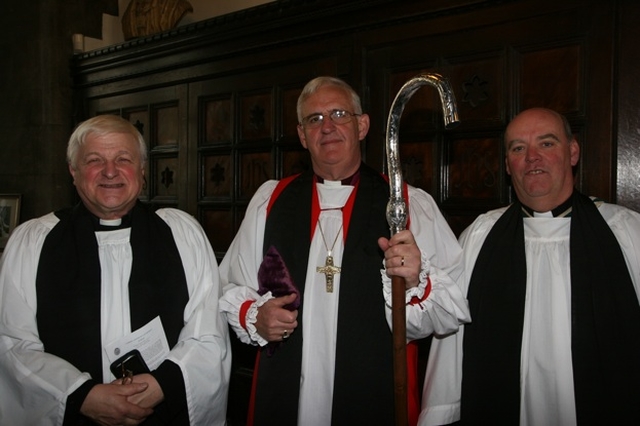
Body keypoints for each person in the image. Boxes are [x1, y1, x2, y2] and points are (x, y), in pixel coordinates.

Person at [219, 76, 470, 426]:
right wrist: (254, 315)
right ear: (302, 135)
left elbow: (449, 313)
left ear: (363, 125)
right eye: (314, 119)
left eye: (339, 114)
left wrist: (416, 281)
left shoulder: (408, 205)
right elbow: (230, 286)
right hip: (282, 396)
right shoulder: (271, 201)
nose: (327, 127)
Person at [0, 115, 231, 425]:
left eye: (123, 159)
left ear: (142, 170)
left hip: (162, 411)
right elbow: (12, 344)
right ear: (73, 171)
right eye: (95, 160)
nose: (110, 171)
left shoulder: (181, 234)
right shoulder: (33, 242)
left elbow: (208, 334)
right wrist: (81, 395)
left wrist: (162, 384)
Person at [419, 107, 640, 425]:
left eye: (547, 144)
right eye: (518, 148)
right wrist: (440, 414)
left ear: (573, 151)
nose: (531, 157)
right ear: (508, 164)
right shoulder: (480, 236)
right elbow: (451, 341)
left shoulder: (625, 232)